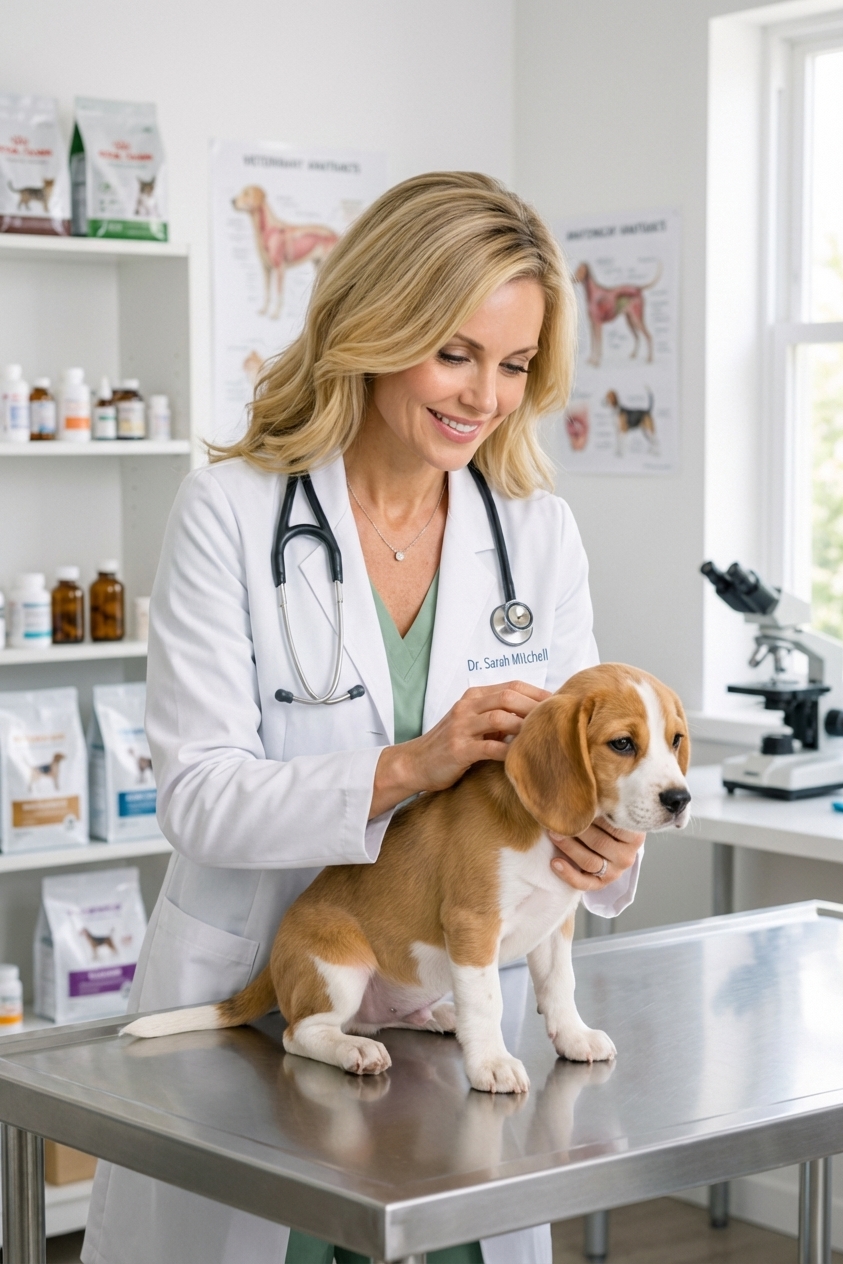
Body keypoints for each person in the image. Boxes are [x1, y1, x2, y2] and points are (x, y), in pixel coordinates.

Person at [82, 172, 646, 1264]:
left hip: (450, 1038)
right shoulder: (234, 514)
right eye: (455, 351)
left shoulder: (536, 534)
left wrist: (604, 832)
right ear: (374, 323)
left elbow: (594, 799)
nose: (485, 395)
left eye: (516, 364)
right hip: (264, 1029)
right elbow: (196, 795)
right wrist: (409, 767)